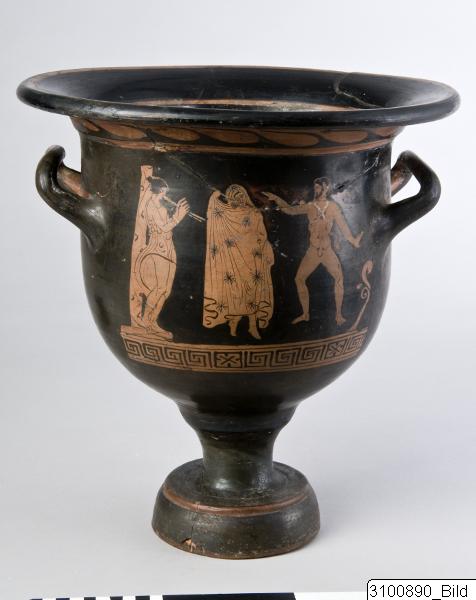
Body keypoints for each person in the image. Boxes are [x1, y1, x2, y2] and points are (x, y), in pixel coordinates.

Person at [264, 177, 362, 326]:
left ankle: (339, 315)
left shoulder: (333, 207)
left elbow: (343, 226)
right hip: (313, 251)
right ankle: (305, 314)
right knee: (299, 279)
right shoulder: (310, 206)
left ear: (325, 188)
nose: (315, 190)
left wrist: (353, 240)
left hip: (327, 250)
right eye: (314, 188)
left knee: (339, 279)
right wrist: (277, 199)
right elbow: (290, 210)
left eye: (318, 188)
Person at [203, 184, 274, 339]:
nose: (239, 200)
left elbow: (262, 235)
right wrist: (213, 198)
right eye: (235, 198)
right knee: (235, 291)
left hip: (251, 258)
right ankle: (233, 323)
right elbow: (213, 216)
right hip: (234, 259)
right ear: (229, 199)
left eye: (241, 197)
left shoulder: (254, 213)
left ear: (245, 197)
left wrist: (262, 247)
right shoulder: (227, 214)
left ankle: (252, 326)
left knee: (252, 292)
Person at [131, 170, 189, 339]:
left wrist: (176, 213)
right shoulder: (151, 206)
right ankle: (146, 320)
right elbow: (163, 227)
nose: (166, 195)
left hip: (168, 249)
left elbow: (166, 226)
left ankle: (152, 322)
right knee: (159, 288)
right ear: (160, 191)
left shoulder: (160, 207)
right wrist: (178, 216)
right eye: (164, 192)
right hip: (157, 250)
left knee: (165, 291)